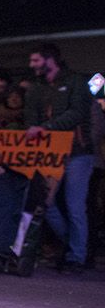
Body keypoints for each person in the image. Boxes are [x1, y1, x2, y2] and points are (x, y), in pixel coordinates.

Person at [25, 43, 95, 273]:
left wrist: (46, 127)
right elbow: (31, 117)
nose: (32, 65)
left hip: (77, 152)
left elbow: (77, 113)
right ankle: (71, 244)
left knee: (75, 206)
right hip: (50, 153)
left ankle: (77, 256)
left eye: (36, 60)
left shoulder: (75, 82)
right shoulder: (36, 88)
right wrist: (35, 129)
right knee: (46, 202)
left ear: (50, 60)